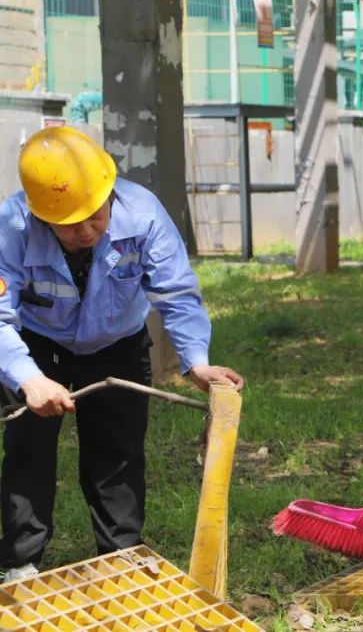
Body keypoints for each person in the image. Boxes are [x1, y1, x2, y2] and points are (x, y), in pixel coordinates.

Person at [0, 126, 244, 583]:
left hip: (117, 343)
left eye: (96, 215)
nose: (88, 230)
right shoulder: (11, 226)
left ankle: (119, 558)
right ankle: (19, 562)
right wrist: (26, 378)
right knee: (28, 448)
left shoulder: (144, 213)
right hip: (36, 344)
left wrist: (197, 360)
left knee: (118, 451)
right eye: (71, 224)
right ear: (40, 214)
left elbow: (176, 292)